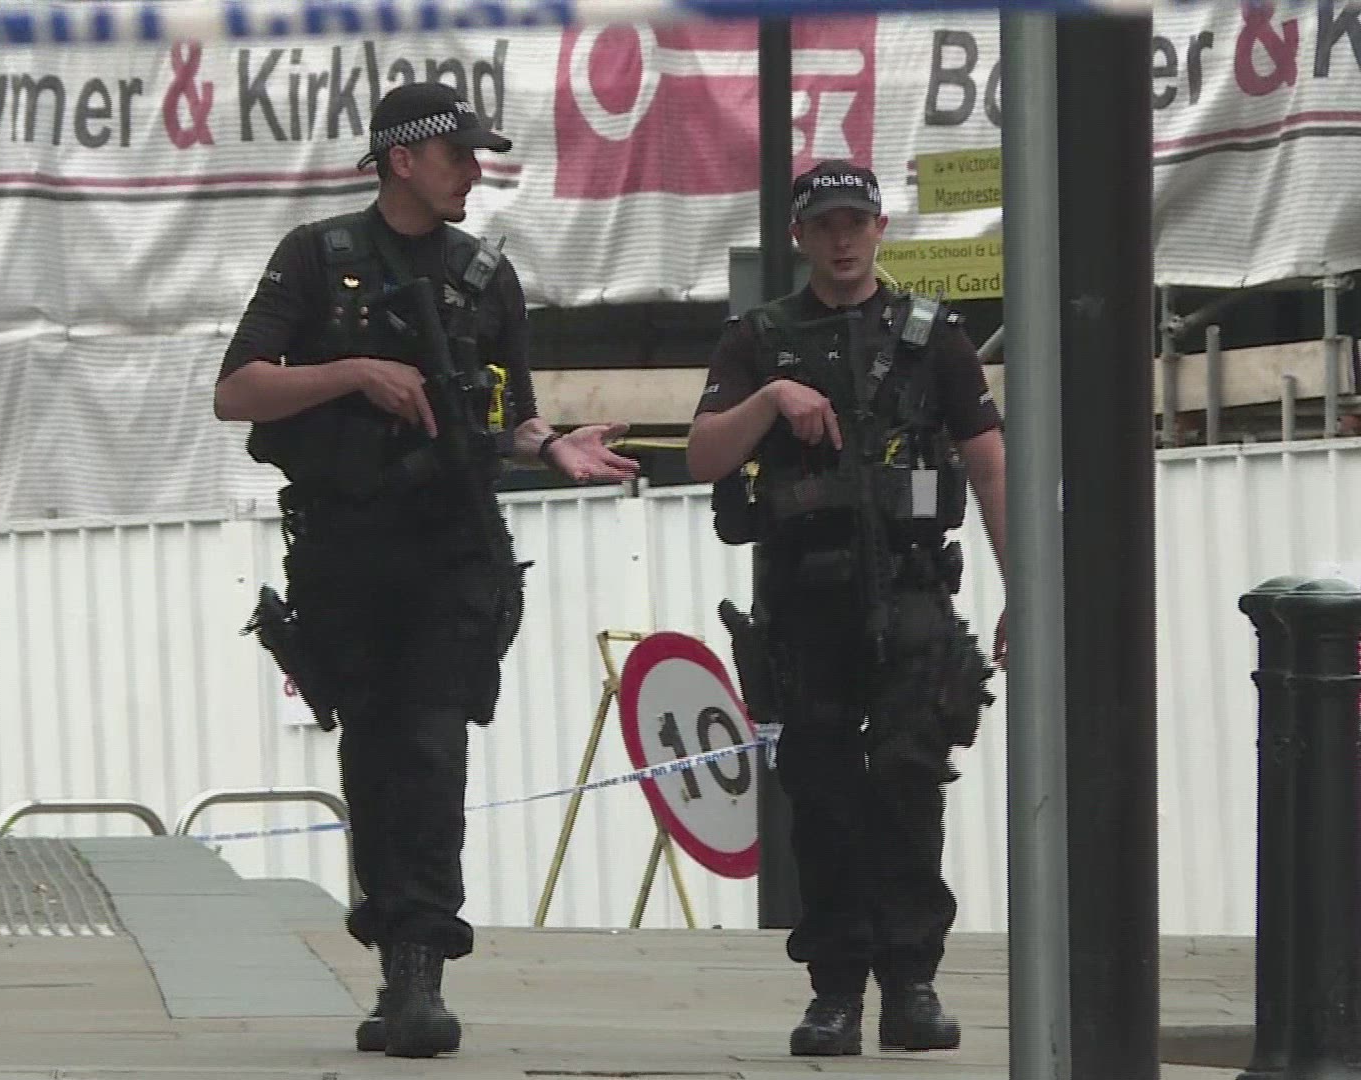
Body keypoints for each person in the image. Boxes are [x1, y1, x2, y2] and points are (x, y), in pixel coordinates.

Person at [213, 80, 640, 1059]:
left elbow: (511, 414)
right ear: (401, 159)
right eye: (458, 156)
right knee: (374, 753)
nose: (474, 174)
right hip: (349, 550)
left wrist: (550, 446)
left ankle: (421, 966)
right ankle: (395, 954)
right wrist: (356, 373)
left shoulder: (485, 277)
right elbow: (236, 391)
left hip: (450, 547)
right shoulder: (317, 257)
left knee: (433, 748)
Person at [684, 160, 1007, 1057]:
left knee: (909, 785)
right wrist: (770, 399)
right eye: (824, 224)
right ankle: (835, 991)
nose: (841, 239)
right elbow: (704, 455)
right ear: (799, 236)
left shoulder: (934, 336)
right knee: (823, 801)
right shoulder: (759, 338)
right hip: (806, 603)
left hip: (912, 593)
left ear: (880, 229)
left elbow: (989, 464)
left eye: (855, 223)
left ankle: (912, 984)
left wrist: (1024, 590)